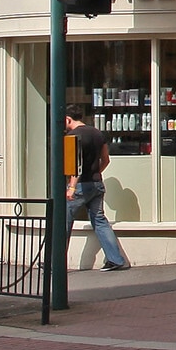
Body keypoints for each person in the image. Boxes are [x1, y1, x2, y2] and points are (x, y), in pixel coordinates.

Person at [61, 106, 130, 270]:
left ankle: (55, 262)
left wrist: (72, 187)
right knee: (100, 221)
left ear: (68, 119)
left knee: (63, 221)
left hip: (80, 186)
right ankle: (116, 259)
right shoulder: (97, 133)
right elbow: (106, 159)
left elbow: (75, 165)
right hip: (97, 183)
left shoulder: (72, 136)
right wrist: (96, 173)